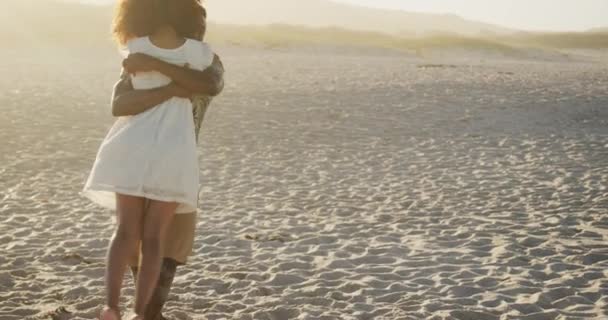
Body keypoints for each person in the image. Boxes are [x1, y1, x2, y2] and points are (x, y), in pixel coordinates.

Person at [81, 0, 220, 319]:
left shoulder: (138, 50)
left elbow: (210, 85)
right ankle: (144, 312)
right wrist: (174, 86)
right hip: (173, 152)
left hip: (135, 146)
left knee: (129, 232)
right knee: (155, 239)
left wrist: (153, 65)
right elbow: (120, 103)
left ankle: (115, 307)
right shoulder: (199, 55)